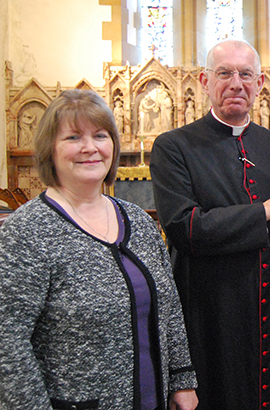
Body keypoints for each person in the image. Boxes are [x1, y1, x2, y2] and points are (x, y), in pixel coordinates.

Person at [0, 89, 198, 409]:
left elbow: (169, 307)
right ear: (50, 149)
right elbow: (7, 343)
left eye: (100, 135)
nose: (90, 148)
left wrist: (182, 379)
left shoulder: (137, 220)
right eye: (73, 137)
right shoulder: (27, 232)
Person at [150, 39, 270, 409]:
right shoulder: (174, 147)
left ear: (260, 82)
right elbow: (184, 227)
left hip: (269, 306)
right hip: (211, 313)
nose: (236, 83)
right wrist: (265, 209)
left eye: (245, 74)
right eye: (224, 73)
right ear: (204, 81)